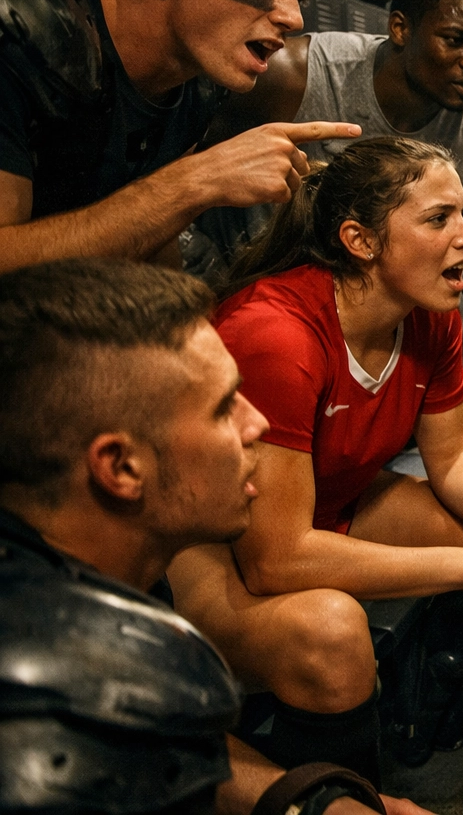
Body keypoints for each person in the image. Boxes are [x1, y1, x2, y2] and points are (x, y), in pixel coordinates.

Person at [166, 138, 463, 779]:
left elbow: (456, 454)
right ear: (360, 240)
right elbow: (276, 558)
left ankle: (422, 679)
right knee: (335, 631)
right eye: (439, 219)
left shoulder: (428, 311)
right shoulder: (277, 335)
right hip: (215, 543)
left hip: (331, 498)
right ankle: (340, 791)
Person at [0, 257, 429, 815]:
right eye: (225, 406)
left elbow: (158, 753)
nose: (256, 424)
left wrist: (310, 803)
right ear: (122, 467)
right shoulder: (48, 738)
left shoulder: (77, 577)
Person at [207, 0, 463, 427]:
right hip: (294, 313)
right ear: (399, 28)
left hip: (418, 316)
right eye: (455, 41)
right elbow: (199, 176)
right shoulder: (294, 76)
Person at [0, 0, 358, 274]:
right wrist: (198, 179)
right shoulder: (20, 34)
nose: (294, 18)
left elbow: (148, 244)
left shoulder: (200, 78)